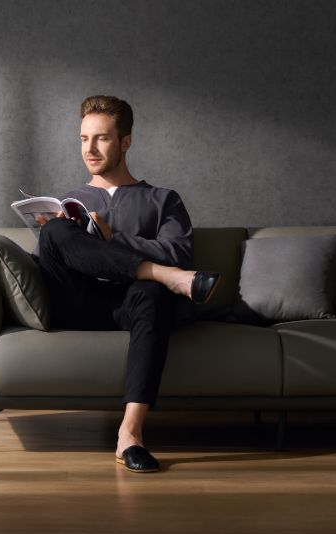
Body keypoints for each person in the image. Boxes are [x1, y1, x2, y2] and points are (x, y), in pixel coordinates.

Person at [35, 95, 219, 474]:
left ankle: (129, 435)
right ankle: (167, 279)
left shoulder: (162, 199)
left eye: (101, 138)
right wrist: (61, 238)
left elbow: (179, 253)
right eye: (84, 138)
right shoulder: (70, 202)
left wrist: (113, 238)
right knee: (55, 230)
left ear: (125, 142)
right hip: (79, 301)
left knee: (152, 292)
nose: (90, 148)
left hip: (134, 305)